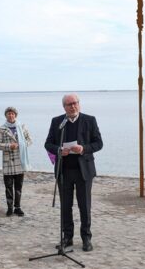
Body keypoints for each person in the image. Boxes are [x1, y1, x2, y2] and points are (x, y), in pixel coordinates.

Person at [44, 94, 103, 252]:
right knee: (66, 206)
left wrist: (83, 148)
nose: (73, 106)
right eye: (69, 104)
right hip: (64, 171)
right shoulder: (57, 122)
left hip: (84, 171)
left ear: (79, 104)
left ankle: (86, 238)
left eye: (75, 103)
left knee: (85, 206)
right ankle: (67, 237)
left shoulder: (89, 120)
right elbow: (48, 144)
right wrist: (59, 150)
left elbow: (99, 143)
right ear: (64, 107)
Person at [0, 106, 33, 217]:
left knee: (18, 187)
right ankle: (9, 208)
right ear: (6, 115)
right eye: (9, 113)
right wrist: (9, 146)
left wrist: (21, 144)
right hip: (8, 162)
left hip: (20, 160)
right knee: (8, 187)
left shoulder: (22, 126)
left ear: (15, 115)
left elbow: (30, 140)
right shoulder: (1, 128)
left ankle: (18, 207)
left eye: (12, 113)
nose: (11, 115)